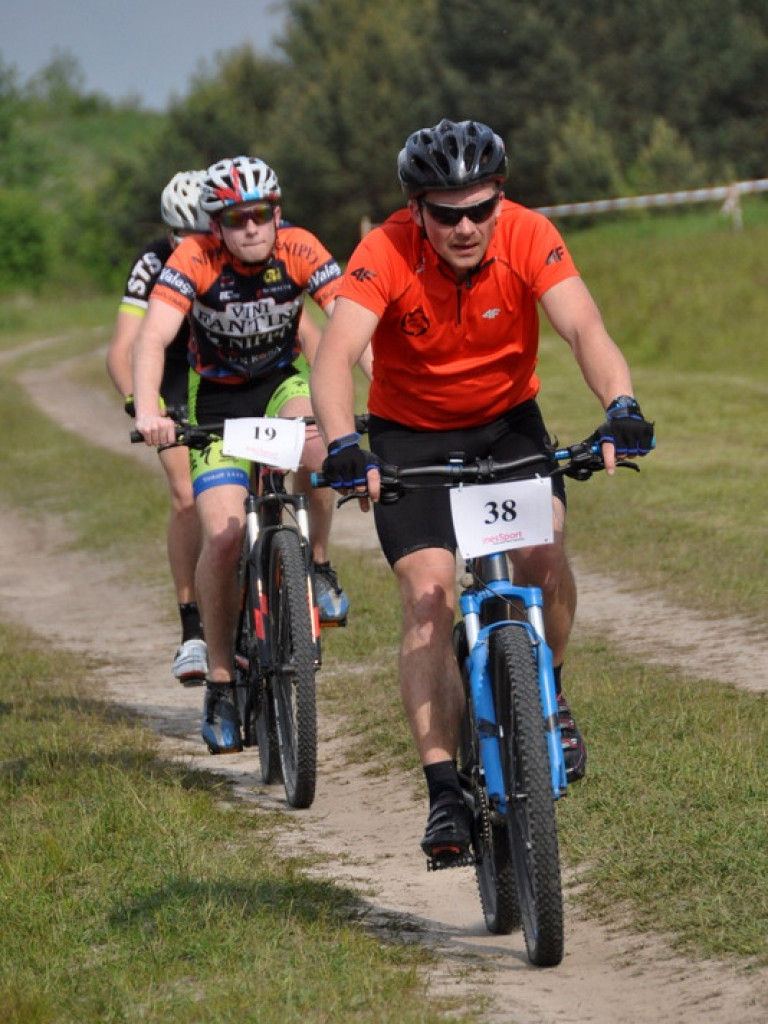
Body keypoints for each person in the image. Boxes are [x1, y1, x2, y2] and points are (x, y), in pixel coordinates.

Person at [311, 119, 655, 860]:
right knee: (429, 596)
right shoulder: (385, 251)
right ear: (416, 209)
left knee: (544, 559)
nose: (466, 226)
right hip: (410, 437)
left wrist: (620, 406)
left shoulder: (528, 234)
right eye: (446, 212)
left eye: (481, 207)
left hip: (507, 427)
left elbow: (584, 328)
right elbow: (337, 355)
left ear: (501, 198)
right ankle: (443, 795)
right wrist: (345, 444)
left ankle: (550, 698)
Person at [132, 155, 347, 754]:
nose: (249, 229)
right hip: (217, 403)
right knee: (225, 539)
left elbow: (354, 318)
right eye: (234, 219)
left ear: (277, 215)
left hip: (281, 384)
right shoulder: (192, 258)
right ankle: (222, 680)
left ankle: (320, 567)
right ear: (216, 226)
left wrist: (388, 393)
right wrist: (150, 409)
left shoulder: (301, 249)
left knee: (326, 451)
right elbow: (153, 336)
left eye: (259, 216)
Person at [107, 169, 210, 684]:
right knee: (187, 493)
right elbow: (123, 349)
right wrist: (140, 405)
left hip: (230, 367)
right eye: (179, 237)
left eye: (203, 235)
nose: (191, 247)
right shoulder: (151, 262)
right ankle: (193, 628)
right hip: (171, 371)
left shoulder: (240, 245)